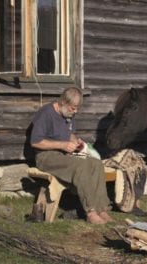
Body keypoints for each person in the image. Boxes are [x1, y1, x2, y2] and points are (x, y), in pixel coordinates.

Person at [30, 87, 113, 224]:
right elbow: (36, 142)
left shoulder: (68, 115)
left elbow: (69, 134)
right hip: (46, 156)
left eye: (77, 109)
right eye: (73, 108)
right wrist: (62, 145)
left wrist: (76, 142)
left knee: (95, 163)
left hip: (64, 155)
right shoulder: (45, 113)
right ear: (63, 102)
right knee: (81, 166)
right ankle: (91, 212)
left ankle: (102, 209)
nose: (75, 112)